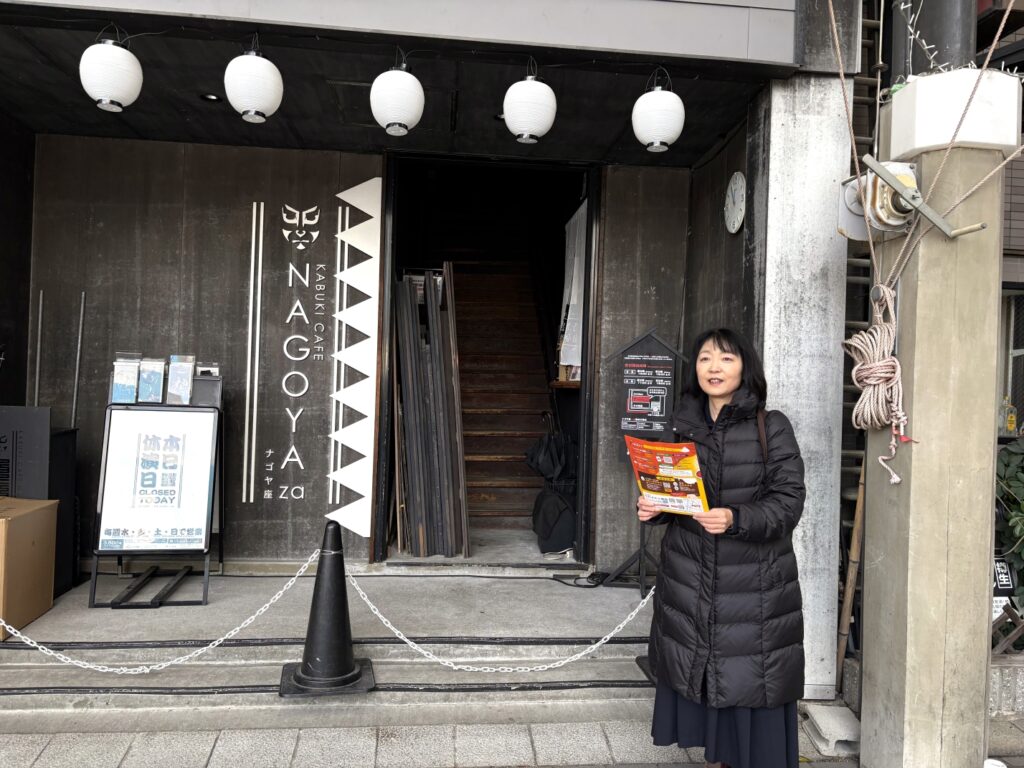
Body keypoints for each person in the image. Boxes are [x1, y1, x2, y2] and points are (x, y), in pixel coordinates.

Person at [637, 328, 805, 768]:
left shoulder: (772, 426)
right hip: (690, 577)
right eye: (705, 358)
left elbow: (788, 502)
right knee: (703, 676)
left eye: (727, 358)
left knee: (751, 678)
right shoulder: (681, 426)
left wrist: (736, 518)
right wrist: (654, 508)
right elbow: (677, 499)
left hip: (753, 584)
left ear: (745, 367)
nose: (714, 368)